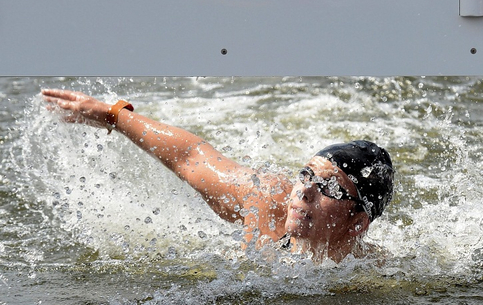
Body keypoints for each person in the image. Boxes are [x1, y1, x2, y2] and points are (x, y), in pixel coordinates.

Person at [41, 89, 394, 263]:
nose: (303, 192)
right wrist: (113, 114)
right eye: (305, 175)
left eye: (329, 187)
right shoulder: (268, 200)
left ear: (358, 222)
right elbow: (192, 156)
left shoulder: (374, 278)